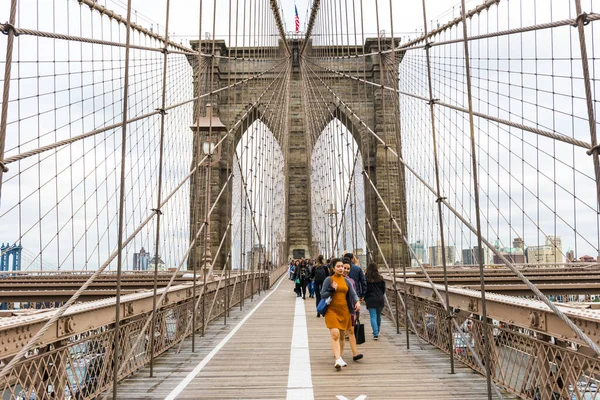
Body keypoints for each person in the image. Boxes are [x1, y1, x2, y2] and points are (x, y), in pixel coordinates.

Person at [321, 258, 361, 370]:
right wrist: (332, 289)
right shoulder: (329, 280)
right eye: (338, 266)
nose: (341, 268)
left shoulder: (346, 280)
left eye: (342, 266)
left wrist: (357, 302)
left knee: (342, 336)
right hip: (332, 311)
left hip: (344, 311)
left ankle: (340, 356)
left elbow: (353, 294)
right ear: (333, 268)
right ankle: (337, 359)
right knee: (335, 334)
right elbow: (322, 295)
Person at [342, 262, 362, 361]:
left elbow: (354, 295)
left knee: (351, 331)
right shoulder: (331, 280)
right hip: (338, 311)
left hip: (349, 310)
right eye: (344, 268)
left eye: (348, 268)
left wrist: (357, 304)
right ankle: (338, 354)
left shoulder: (350, 281)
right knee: (339, 334)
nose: (346, 270)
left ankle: (355, 354)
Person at [364, 262, 386, 340]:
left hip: (370, 299)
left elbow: (364, 289)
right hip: (380, 299)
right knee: (378, 316)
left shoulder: (366, 278)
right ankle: (377, 331)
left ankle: (375, 333)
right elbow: (383, 289)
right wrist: (380, 295)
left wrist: (364, 297)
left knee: (373, 316)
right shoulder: (380, 278)